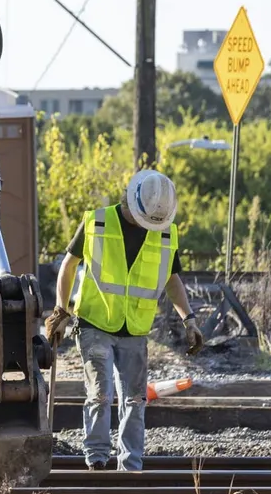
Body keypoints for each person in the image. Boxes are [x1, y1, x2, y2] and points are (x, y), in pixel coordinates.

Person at [44, 169, 204, 472]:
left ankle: (131, 466)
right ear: (131, 201)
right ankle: (97, 461)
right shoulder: (98, 221)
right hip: (94, 322)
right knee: (100, 394)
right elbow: (69, 265)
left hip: (135, 329)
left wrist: (190, 320)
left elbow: (172, 278)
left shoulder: (166, 231)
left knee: (134, 400)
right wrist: (60, 310)